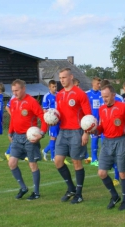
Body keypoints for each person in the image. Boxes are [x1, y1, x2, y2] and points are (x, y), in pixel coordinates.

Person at [91, 84, 125, 210]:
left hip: (121, 141)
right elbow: (102, 127)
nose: (104, 99)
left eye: (106, 96)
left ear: (113, 95)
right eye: (102, 97)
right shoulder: (101, 109)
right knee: (101, 172)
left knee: (122, 173)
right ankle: (114, 196)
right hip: (106, 142)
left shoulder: (123, 107)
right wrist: (95, 130)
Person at [55, 67, 92, 204]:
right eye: (60, 78)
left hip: (77, 131)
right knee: (58, 161)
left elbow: (88, 116)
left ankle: (79, 194)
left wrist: (86, 133)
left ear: (71, 77)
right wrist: (52, 119)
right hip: (63, 132)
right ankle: (71, 188)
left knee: (77, 162)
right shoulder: (59, 95)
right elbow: (58, 114)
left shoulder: (80, 94)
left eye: (64, 77)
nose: (62, 80)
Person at [8, 79, 48, 200]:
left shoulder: (32, 102)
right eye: (13, 91)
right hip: (16, 137)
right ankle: (23, 188)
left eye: (17, 90)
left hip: (30, 138)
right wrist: (10, 132)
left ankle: (36, 192)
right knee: (12, 163)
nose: (15, 93)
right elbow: (13, 118)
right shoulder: (13, 102)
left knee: (32, 165)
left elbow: (43, 117)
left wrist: (41, 133)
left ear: (23, 89)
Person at [99, 79, 125, 186]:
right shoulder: (102, 99)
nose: (104, 98)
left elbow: (124, 114)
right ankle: (116, 178)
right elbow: (102, 114)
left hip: (119, 135)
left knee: (117, 158)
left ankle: (116, 177)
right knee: (108, 157)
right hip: (106, 134)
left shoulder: (119, 99)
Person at [85, 76, 101, 166]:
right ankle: (94, 159)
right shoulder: (87, 94)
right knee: (94, 140)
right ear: (93, 84)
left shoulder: (101, 94)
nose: (99, 85)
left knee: (102, 140)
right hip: (91, 122)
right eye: (97, 83)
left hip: (101, 121)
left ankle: (101, 158)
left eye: (100, 84)